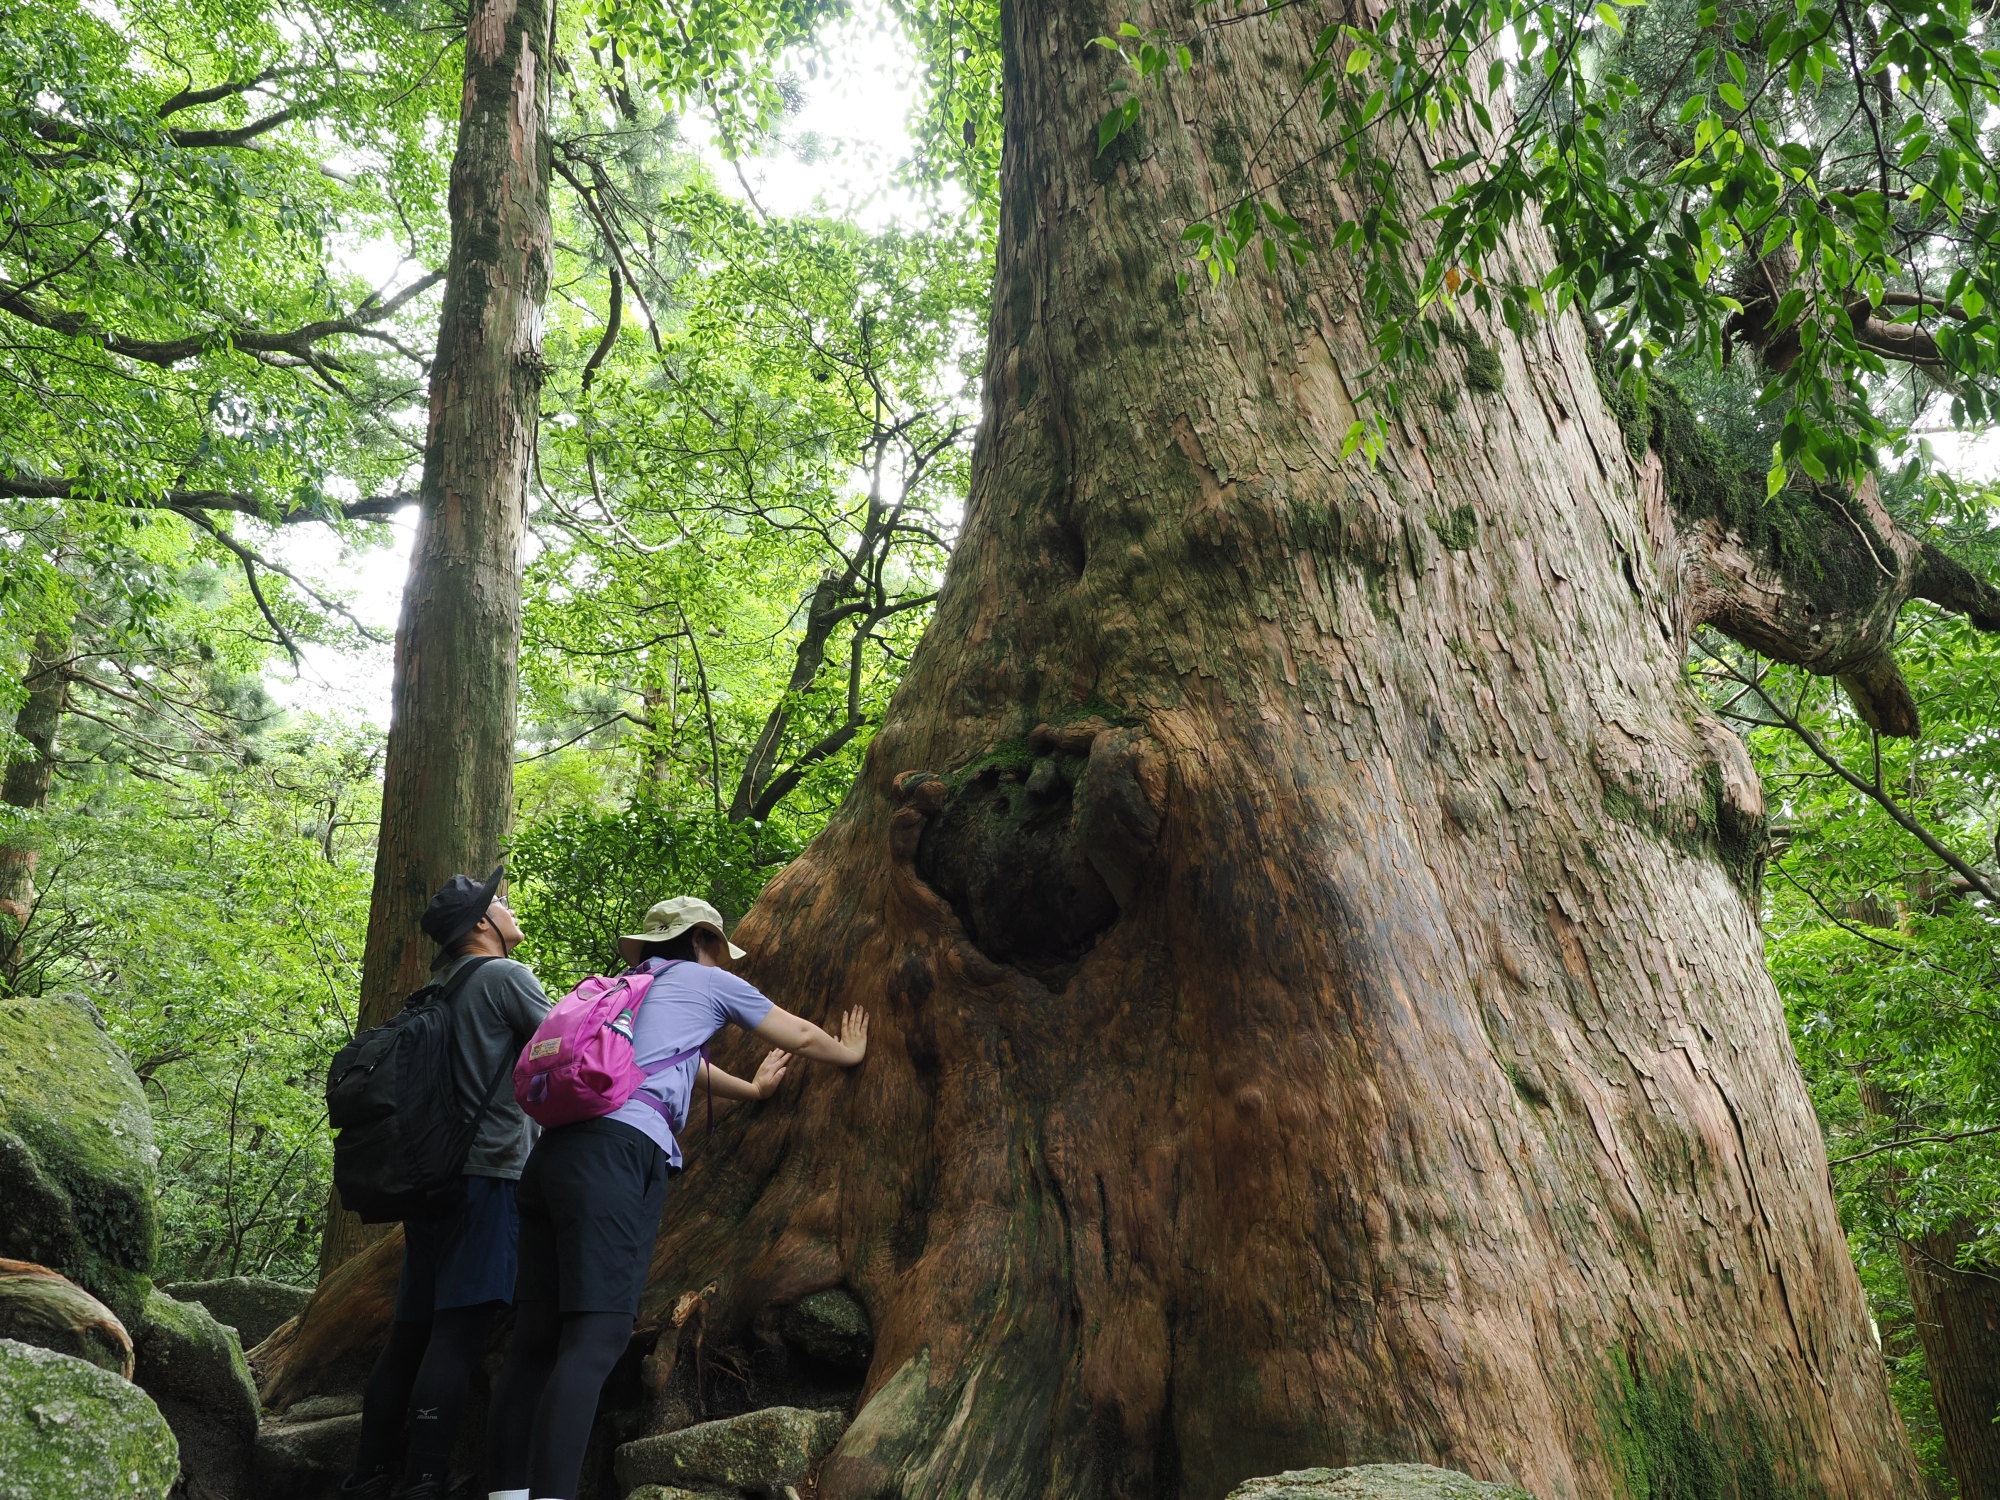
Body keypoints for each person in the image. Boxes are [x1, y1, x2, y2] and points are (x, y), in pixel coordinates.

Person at [483, 895, 869, 1500]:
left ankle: (505, 1493)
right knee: (596, 1339)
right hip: (616, 1157)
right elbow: (792, 1030)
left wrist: (754, 1090)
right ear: (703, 941)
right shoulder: (705, 980)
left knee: (535, 1340)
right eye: (720, 949)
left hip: (552, 1159)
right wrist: (848, 1052)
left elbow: (677, 1067)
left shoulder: (627, 989)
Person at [341, 867, 553, 1500]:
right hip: (488, 1177)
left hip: (430, 1180)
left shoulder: (437, 988)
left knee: (413, 1329)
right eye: (501, 904)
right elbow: (572, 1048)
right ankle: (428, 1477)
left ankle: (371, 1467)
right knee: (459, 1333)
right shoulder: (505, 978)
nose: (511, 910)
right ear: (483, 925)